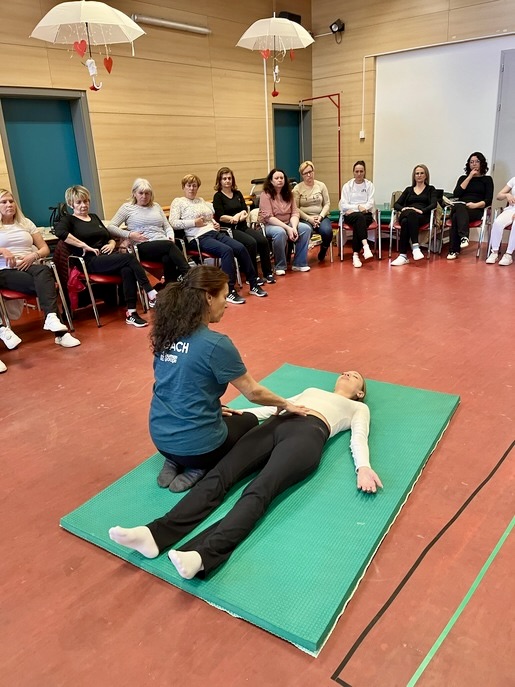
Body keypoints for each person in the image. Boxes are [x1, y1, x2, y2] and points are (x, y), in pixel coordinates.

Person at [109, 369, 383, 579]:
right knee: (220, 474)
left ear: (360, 393)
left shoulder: (358, 408)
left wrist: (363, 467)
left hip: (308, 435)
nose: (347, 374)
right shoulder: (312, 390)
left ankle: (203, 555)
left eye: (354, 376)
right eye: (345, 371)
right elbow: (277, 406)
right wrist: (240, 412)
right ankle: (155, 535)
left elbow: (359, 436)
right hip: (275, 424)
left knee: (259, 490)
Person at [148, 265, 306, 492]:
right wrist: (286, 403)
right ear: (208, 298)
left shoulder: (167, 334)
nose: (226, 303)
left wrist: (211, 408)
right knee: (248, 421)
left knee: (224, 417)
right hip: (200, 449)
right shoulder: (216, 344)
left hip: (160, 439)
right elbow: (253, 392)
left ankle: (173, 460)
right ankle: (199, 467)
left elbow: (173, 385)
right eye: (224, 296)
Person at [54, 185, 157, 327]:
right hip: (89, 261)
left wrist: (111, 244)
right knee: (129, 258)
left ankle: (131, 313)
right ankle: (150, 291)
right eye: (79, 202)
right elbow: (60, 233)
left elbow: (109, 237)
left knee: (127, 269)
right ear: (71, 204)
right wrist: (84, 245)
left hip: (106, 257)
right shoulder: (69, 220)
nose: (83, 205)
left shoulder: (94, 217)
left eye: (86, 201)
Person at [0, 189, 80, 349]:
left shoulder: (26, 223)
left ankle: (51, 318)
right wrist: (2, 250)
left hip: (29, 266)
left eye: (11, 201)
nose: (9, 204)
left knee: (44, 271)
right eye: (4, 202)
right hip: (5, 271)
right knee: (46, 284)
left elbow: (44, 248)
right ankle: (61, 334)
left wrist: (34, 255)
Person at [169, 175, 267, 304]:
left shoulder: (201, 200)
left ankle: (253, 284)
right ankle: (229, 291)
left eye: (194, 186)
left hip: (213, 232)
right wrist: (193, 222)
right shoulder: (178, 202)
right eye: (189, 185)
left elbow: (209, 217)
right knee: (227, 251)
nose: (192, 188)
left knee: (240, 247)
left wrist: (215, 223)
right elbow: (173, 222)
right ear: (183, 187)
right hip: (197, 237)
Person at [107, 178, 190, 284]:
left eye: (147, 193)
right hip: (143, 245)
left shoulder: (156, 206)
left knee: (167, 258)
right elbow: (111, 227)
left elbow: (167, 226)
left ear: (151, 194)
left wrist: (171, 236)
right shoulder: (127, 208)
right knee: (169, 246)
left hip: (163, 243)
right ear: (134, 193)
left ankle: (170, 287)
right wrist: (130, 234)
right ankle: (190, 275)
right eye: (141, 193)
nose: (144, 196)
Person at [212, 167, 275, 284]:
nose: (227, 181)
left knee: (263, 241)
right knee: (251, 243)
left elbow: (245, 210)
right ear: (219, 181)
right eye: (224, 179)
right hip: (229, 230)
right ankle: (253, 276)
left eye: (229, 178)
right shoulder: (218, 196)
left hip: (242, 225)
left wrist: (239, 216)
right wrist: (233, 219)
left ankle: (268, 272)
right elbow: (220, 216)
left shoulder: (237, 193)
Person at [258, 168, 312, 276]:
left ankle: (299, 263)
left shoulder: (289, 193)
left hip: (288, 223)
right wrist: (288, 228)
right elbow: (269, 217)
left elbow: (295, 213)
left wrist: (294, 227)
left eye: (281, 178)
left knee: (306, 229)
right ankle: (280, 265)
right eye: (276, 178)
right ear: (271, 181)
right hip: (270, 225)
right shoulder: (265, 195)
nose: (279, 180)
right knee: (280, 232)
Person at [447, 152, 493, 260]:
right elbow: (456, 194)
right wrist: (469, 177)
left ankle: (453, 250)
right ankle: (464, 237)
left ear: (482, 164)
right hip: (461, 206)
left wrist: (475, 205)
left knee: (456, 217)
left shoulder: (487, 180)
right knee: (460, 206)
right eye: (471, 162)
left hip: (475, 209)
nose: (474, 164)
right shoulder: (463, 178)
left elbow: (488, 200)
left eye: (477, 161)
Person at [391, 165, 437, 266]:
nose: (419, 175)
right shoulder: (408, 190)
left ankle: (403, 256)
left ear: (426, 175)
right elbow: (396, 204)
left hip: (421, 215)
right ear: (414, 176)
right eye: (417, 173)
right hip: (407, 212)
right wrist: (403, 209)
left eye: (422, 173)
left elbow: (434, 204)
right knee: (410, 214)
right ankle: (415, 247)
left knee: (405, 222)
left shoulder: (431, 189)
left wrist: (422, 211)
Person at [293, 161, 333, 262]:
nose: (309, 175)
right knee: (306, 231)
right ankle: (301, 258)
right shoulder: (297, 188)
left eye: (310, 172)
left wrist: (320, 216)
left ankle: (324, 249)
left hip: (320, 216)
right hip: (305, 218)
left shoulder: (321, 185)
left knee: (327, 232)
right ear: (302, 175)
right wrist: (309, 219)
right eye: (305, 173)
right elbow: (295, 208)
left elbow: (327, 204)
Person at [339, 161, 376, 268]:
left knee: (359, 222)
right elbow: (344, 205)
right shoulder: (347, 186)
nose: (359, 174)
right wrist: (359, 208)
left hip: (366, 214)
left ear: (364, 172)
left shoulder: (369, 185)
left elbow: (370, 203)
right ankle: (365, 246)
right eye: (357, 171)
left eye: (361, 171)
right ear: (353, 172)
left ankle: (355, 255)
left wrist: (356, 208)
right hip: (350, 215)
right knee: (359, 218)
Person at [485, 176, 515, 266]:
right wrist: (507, 195)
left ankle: (508, 254)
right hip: (511, 209)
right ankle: (494, 252)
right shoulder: (514, 179)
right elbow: (499, 196)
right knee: (498, 222)